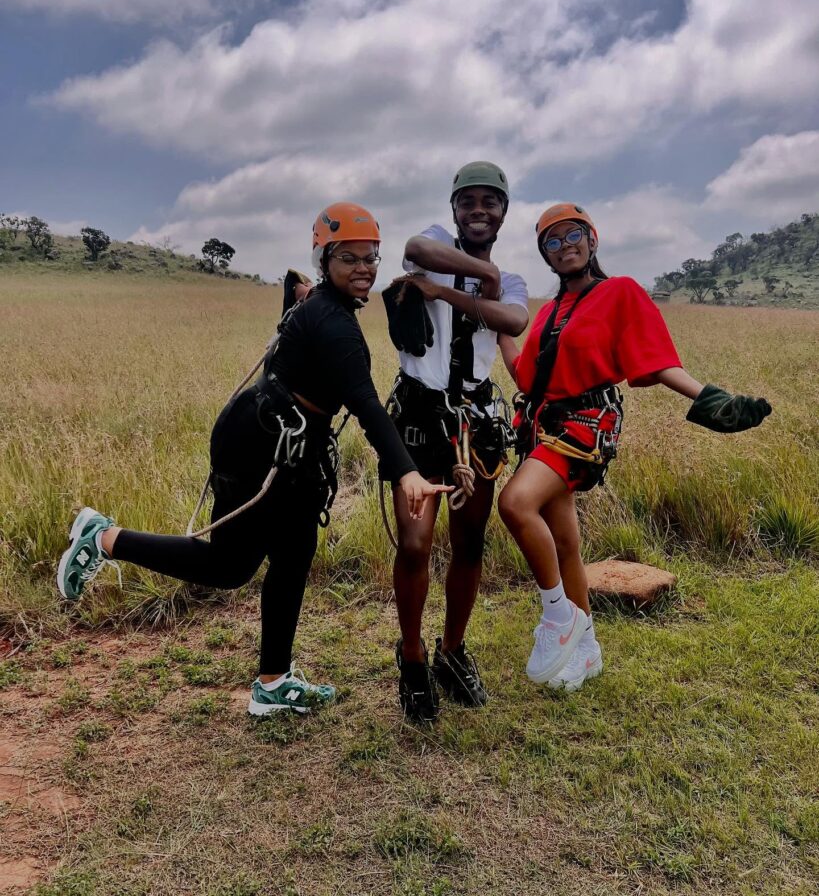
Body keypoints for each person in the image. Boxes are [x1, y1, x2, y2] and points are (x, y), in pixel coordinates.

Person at [56, 204, 449, 716]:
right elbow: (366, 404)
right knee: (228, 566)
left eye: (370, 257)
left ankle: (273, 682)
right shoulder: (335, 324)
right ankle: (104, 537)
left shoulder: (323, 304)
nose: (363, 268)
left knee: (294, 553)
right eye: (348, 258)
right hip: (258, 444)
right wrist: (408, 472)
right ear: (325, 259)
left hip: (289, 446)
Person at [497, 203, 772, 692]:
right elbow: (528, 378)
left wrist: (713, 399)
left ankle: (558, 617)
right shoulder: (548, 312)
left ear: (592, 239)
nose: (564, 246)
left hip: (583, 427)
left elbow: (655, 358)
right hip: (542, 428)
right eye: (552, 242)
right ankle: (587, 650)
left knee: (515, 503)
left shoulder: (618, 292)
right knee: (566, 543)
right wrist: (500, 331)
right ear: (546, 254)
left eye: (572, 235)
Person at [384, 161, 529, 722]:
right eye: (468, 201)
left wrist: (447, 291)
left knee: (470, 545)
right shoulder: (436, 244)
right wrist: (478, 275)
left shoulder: (510, 282)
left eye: (490, 202)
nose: (478, 210)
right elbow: (415, 247)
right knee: (415, 544)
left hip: (475, 423)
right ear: (454, 210)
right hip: (421, 418)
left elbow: (512, 320)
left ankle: (452, 650)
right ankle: (412, 657)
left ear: (503, 213)